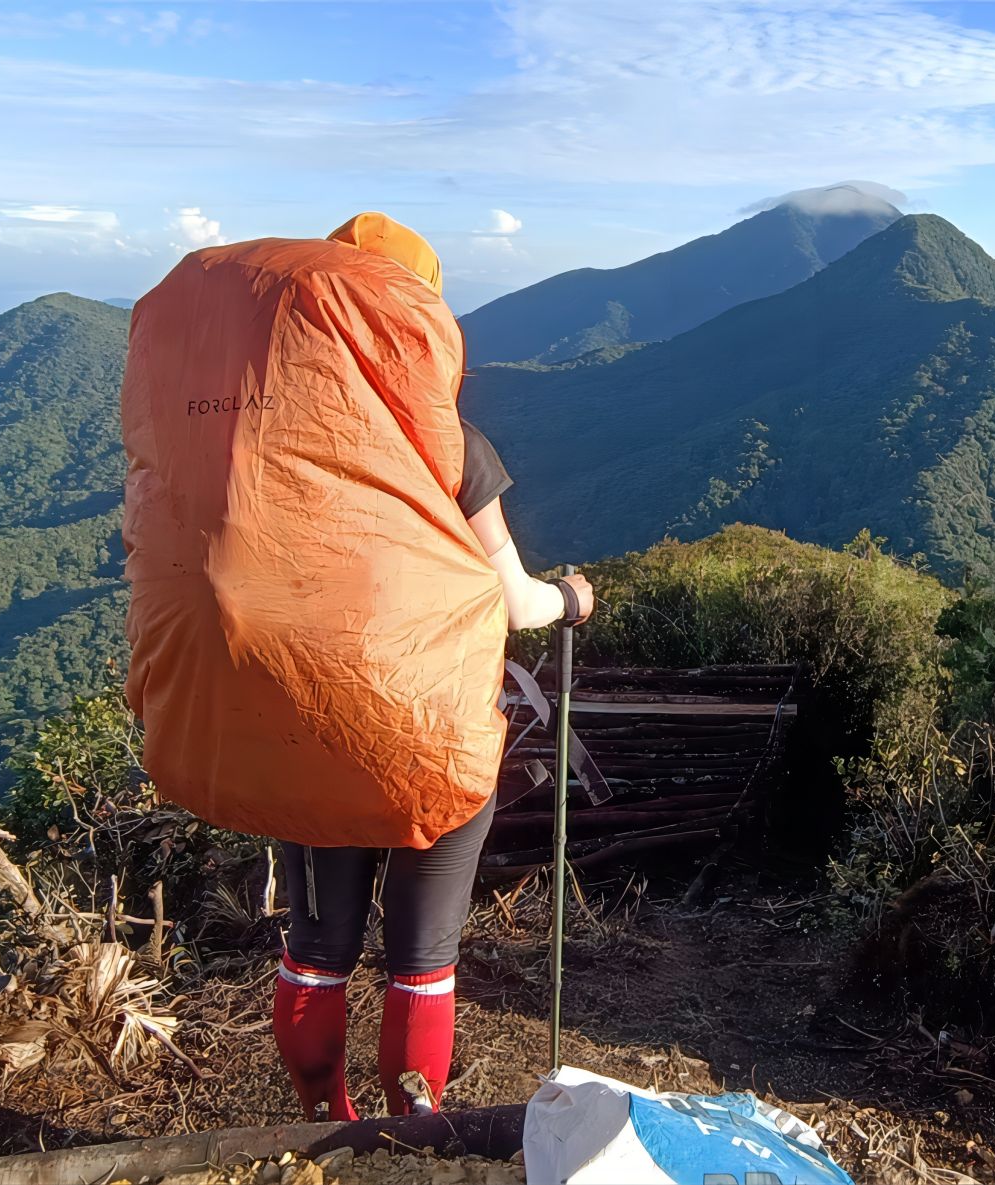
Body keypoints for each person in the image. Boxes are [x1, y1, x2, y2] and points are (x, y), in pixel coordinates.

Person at [267, 213, 596, 1122]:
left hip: (313, 725)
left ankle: (323, 1130)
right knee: (422, 958)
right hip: (432, 735)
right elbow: (513, 601)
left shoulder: (277, 445)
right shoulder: (452, 446)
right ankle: (411, 1135)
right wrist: (569, 596)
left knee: (316, 948)